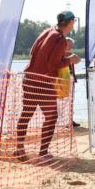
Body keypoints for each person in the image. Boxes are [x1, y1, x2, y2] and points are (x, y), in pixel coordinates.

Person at [16, 11, 81, 163]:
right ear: (70, 22)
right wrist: (70, 60)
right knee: (52, 117)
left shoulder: (46, 31)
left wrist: (59, 55)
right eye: (74, 21)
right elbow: (53, 64)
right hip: (43, 82)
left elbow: (33, 52)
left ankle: (19, 148)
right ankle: (43, 153)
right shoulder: (60, 39)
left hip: (28, 78)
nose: (74, 24)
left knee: (26, 112)